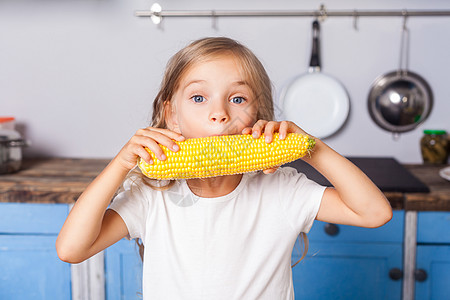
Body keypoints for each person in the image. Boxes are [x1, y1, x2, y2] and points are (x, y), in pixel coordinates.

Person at [56, 37, 392, 299]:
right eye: (199, 98)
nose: (219, 113)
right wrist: (120, 164)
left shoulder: (282, 189)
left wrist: (312, 149)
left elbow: (374, 213)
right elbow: (72, 249)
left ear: (259, 115)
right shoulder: (151, 195)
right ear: (172, 115)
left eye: (238, 98)